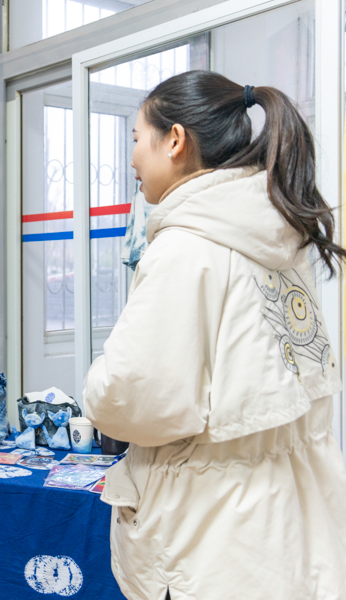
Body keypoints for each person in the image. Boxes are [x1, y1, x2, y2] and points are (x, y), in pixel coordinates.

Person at [83, 71, 346, 600]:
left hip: (210, 539)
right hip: (287, 531)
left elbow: (131, 397)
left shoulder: (187, 248)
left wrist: (95, 387)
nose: (132, 158)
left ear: (175, 141)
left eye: (136, 138)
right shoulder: (277, 240)